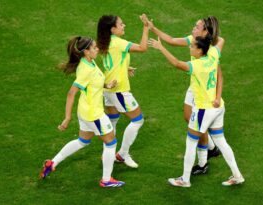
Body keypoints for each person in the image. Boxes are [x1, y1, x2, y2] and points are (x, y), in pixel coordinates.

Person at [148, 34, 244, 187]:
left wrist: (161, 48)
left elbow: (177, 63)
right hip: (218, 107)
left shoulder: (197, 66)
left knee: (191, 143)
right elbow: (220, 45)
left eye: (193, 46)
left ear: (200, 50)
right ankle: (237, 175)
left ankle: (185, 180)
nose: (189, 47)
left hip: (203, 110)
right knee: (221, 142)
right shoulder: (213, 55)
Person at [39, 36, 125, 188]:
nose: (97, 49)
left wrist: (106, 84)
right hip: (94, 114)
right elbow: (71, 93)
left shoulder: (89, 62)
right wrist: (67, 118)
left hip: (85, 112)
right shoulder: (85, 69)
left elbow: (93, 82)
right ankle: (106, 180)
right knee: (111, 142)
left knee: (82, 141)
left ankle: (52, 163)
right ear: (86, 51)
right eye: (94, 47)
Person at [143, 16, 222, 175]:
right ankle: (212, 148)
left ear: (205, 31)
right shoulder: (194, 39)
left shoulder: (212, 50)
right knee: (188, 117)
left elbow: (180, 63)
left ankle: (203, 162)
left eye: (197, 26)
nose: (193, 28)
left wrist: (218, 96)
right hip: (194, 86)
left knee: (198, 126)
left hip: (202, 90)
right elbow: (171, 40)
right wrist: (152, 27)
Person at [96, 14, 149, 168]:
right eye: (121, 24)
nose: (124, 25)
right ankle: (122, 154)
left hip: (107, 88)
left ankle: (108, 153)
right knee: (138, 120)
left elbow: (112, 62)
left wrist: (125, 68)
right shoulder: (118, 43)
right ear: (113, 29)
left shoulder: (106, 42)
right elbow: (142, 48)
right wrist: (146, 28)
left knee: (112, 119)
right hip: (118, 90)